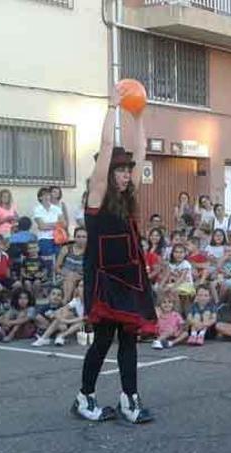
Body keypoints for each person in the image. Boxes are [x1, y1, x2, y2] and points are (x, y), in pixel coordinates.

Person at [74, 87, 156, 424]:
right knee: (103, 341)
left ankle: (129, 399)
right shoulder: (96, 198)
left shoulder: (129, 196)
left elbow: (141, 149)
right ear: (107, 172)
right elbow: (108, 147)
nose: (125, 174)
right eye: (120, 170)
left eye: (127, 170)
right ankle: (85, 396)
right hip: (105, 278)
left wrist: (138, 117)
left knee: (129, 340)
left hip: (130, 277)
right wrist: (111, 107)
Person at [32, 187, 65, 264]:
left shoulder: (56, 209)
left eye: (48, 195)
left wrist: (47, 225)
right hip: (44, 238)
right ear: (40, 197)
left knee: (58, 258)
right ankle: (48, 274)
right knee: (47, 259)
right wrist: (56, 224)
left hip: (57, 237)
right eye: (44, 195)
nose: (47, 197)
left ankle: (56, 275)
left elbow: (62, 223)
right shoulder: (37, 209)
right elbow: (41, 226)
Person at [55, 227, 86, 303]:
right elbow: (56, 267)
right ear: (74, 238)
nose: (81, 239)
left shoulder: (90, 252)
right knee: (70, 277)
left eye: (84, 237)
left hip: (81, 278)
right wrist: (66, 273)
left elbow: (91, 271)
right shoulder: (66, 248)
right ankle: (67, 301)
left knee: (72, 278)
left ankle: (65, 301)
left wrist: (78, 276)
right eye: (78, 236)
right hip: (63, 276)